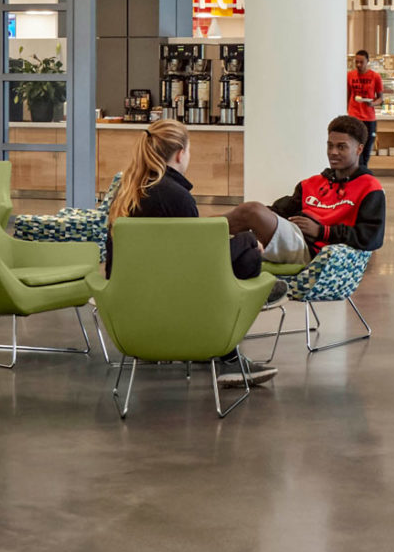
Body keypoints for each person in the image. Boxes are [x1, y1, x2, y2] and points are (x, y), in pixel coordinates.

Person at [109, 118, 277, 386]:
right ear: (180, 153)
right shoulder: (176, 196)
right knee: (248, 256)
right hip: (176, 299)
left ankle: (217, 348)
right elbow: (200, 263)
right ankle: (227, 357)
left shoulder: (127, 190)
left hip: (128, 299)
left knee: (240, 250)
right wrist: (247, 241)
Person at [230, 114, 388, 269]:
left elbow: (372, 237)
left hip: (316, 252)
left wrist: (321, 231)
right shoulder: (311, 183)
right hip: (292, 238)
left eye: (341, 147)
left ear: (359, 149)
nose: (333, 152)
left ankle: (207, 229)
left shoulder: (369, 187)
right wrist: (261, 220)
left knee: (251, 211)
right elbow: (279, 210)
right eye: (330, 145)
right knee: (244, 250)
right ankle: (212, 235)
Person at [345, 50, 383, 126]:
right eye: (356, 62)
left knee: (369, 138)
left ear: (367, 61)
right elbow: (348, 95)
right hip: (353, 116)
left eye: (361, 62)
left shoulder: (375, 76)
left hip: (368, 117)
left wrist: (372, 104)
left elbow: (380, 99)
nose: (358, 64)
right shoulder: (349, 75)